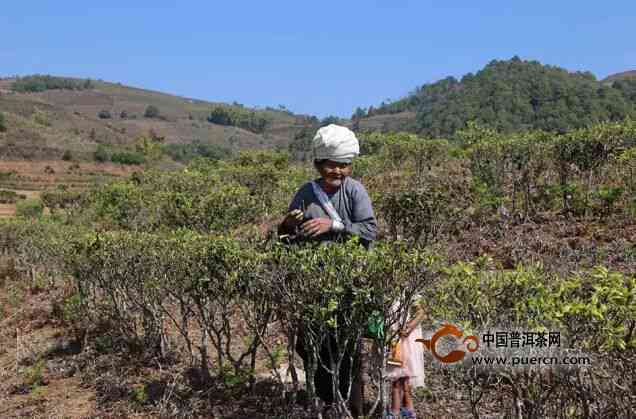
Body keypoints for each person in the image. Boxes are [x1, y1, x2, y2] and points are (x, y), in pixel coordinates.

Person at [278, 124, 378, 417]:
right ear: (319, 164)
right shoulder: (305, 193)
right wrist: (287, 226)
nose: (338, 171)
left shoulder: (355, 190)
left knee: (345, 348)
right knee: (309, 345)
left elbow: (370, 229)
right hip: (313, 286)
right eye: (332, 165)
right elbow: (287, 241)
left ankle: (348, 406)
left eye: (344, 165)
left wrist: (333, 225)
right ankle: (325, 400)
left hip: (347, 284)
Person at [385, 299, 427, 419]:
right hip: (393, 337)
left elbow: (421, 312)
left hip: (406, 340)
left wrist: (409, 328)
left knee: (400, 377)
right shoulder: (389, 289)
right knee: (399, 377)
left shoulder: (411, 291)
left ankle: (396, 412)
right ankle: (405, 411)